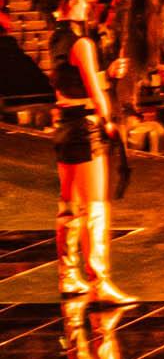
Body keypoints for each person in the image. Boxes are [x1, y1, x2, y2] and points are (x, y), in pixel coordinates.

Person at [47, 24, 116, 305]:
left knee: (69, 204)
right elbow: (93, 88)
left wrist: (108, 74)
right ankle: (100, 282)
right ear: (79, 4)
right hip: (85, 126)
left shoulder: (56, 39)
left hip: (65, 125)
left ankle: (68, 275)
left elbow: (70, 81)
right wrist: (107, 119)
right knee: (95, 206)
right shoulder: (82, 44)